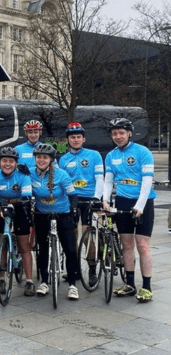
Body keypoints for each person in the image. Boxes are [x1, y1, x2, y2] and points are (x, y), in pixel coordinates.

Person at [102, 118, 156, 302]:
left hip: (144, 202)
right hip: (123, 201)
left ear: (129, 133)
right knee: (126, 244)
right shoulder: (111, 155)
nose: (118, 136)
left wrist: (140, 206)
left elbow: (147, 182)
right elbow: (108, 180)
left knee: (142, 245)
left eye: (121, 133)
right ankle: (130, 284)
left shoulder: (143, 152)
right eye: (114, 133)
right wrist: (105, 201)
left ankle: (147, 287)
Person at [30, 144, 80, 300]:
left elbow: (73, 195)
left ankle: (72, 284)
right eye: (38, 157)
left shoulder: (61, 174)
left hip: (62, 214)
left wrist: (73, 209)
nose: (41, 160)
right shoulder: (30, 174)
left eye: (45, 157)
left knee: (70, 249)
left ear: (51, 159)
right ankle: (44, 281)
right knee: (42, 249)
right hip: (41, 214)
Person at [0, 147, 35, 296]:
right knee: (2, 245)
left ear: (16, 163)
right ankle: (1, 278)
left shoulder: (23, 174)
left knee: (24, 246)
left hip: (19, 207)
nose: (7, 164)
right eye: (4, 161)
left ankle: (29, 281)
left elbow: (26, 197)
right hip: (1, 207)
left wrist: (14, 206)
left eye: (11, 161)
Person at [58, 122, 104, 287]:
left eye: (78, 137)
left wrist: (96, 197)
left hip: (88, 199)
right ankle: (75, 270)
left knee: (86, 236)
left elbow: (100, 178)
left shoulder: (94, 155)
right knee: (72, 237)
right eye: (72, 137)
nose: (76, 140)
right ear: (67, 140)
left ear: (83, 139)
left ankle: (92, 270)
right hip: (71, 201)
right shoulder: (63, 159)